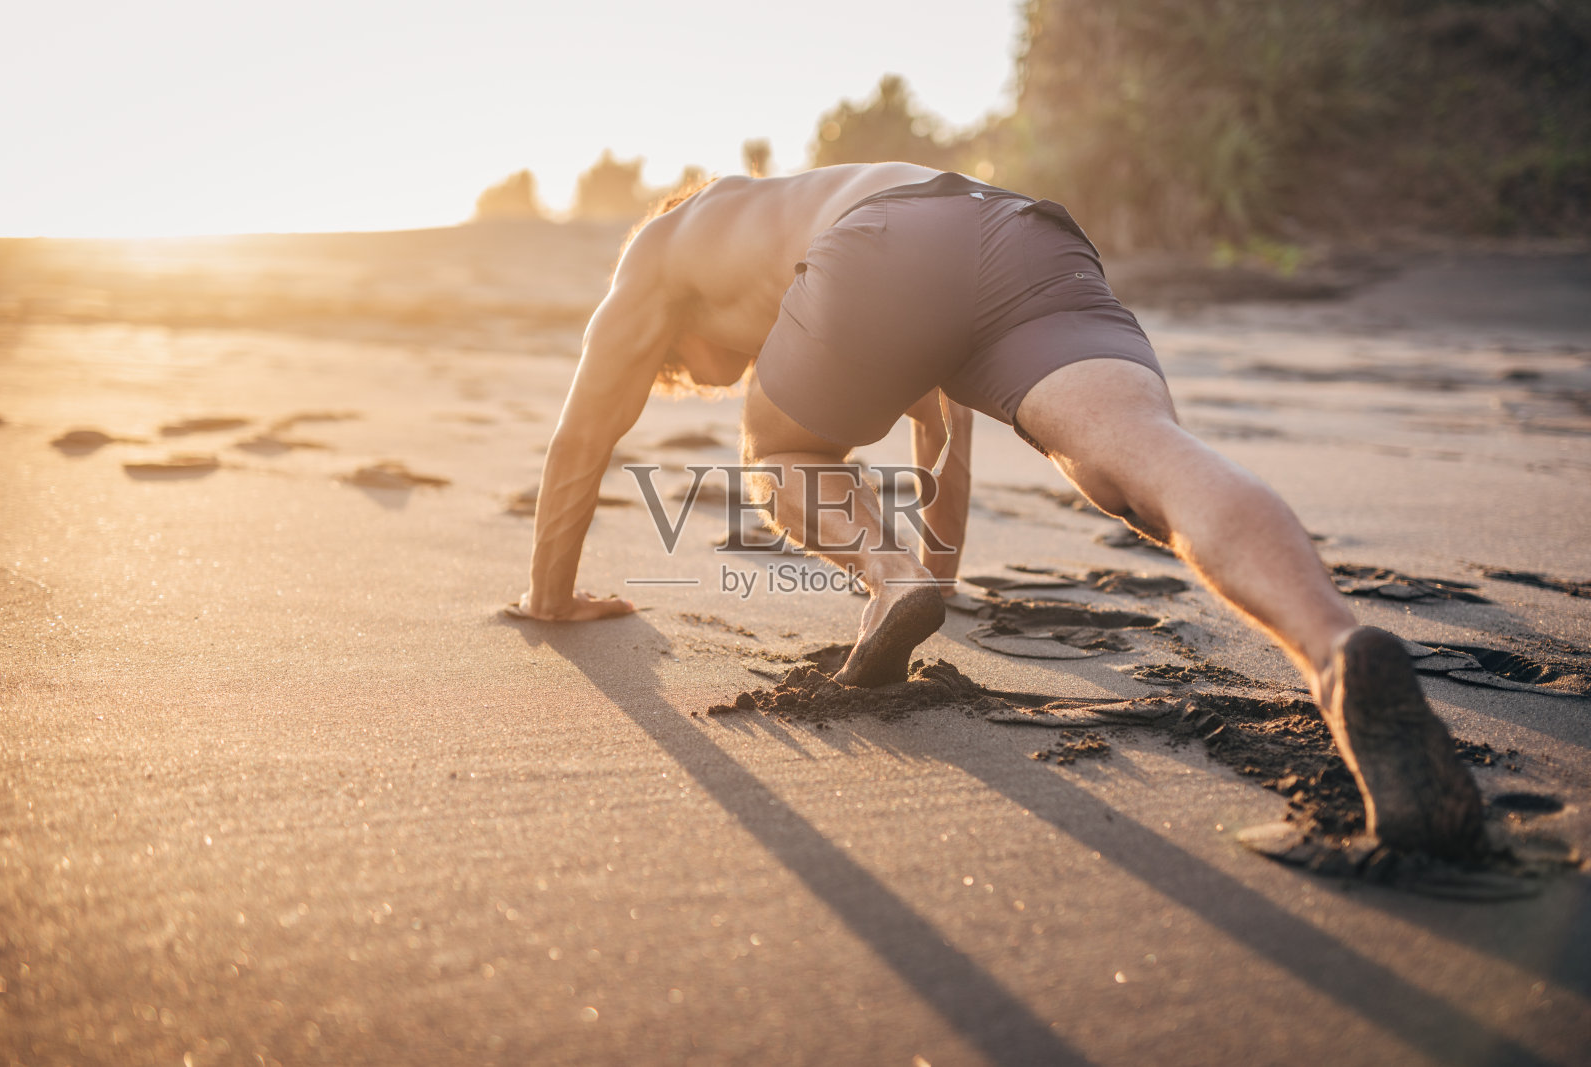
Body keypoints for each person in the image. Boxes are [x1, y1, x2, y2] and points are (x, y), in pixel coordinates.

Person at [518, 162, 1485, 859]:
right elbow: (945, 445)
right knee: (1150, 460)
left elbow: (581, 436)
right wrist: (931, 579)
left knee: (777, 453)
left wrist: (549, 596)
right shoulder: (799, 215)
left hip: (886, 239)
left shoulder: (661, 247)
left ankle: (879, 570)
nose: (699, 377)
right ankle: (1335, 653)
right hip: (1020, 227)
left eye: (686, 368)